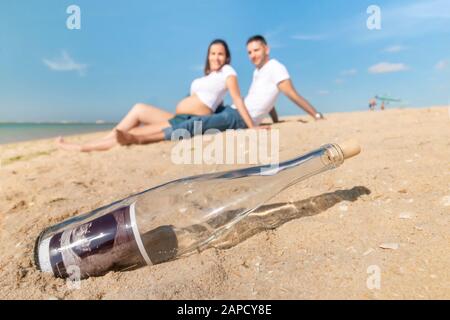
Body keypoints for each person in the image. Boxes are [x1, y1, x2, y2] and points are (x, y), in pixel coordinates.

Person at [116, 34, 324, 145]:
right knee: (191, 120)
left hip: (240, 118)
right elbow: (267, 100)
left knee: (196, 124)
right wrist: (276, 119)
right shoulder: (259, 72)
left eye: (256, 50)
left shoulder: (275, 67)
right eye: (249, 52)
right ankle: (132, 132)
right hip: (233, 111)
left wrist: (316, 114)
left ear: (266, 49)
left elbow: (290, 93)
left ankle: (139, 138)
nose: (252, 55)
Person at [57, 39, 255, 151]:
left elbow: (237, 99)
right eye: (212, 53)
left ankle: (83, 147)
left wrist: (252, 127)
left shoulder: (228, 71)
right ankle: (106, 137)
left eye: (220, 54)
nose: (216, 57)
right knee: (138, 109)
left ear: (226, 57)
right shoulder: (204, 77)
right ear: (208, 55)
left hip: (189, 120)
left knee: (135, 133)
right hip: (177, 116)